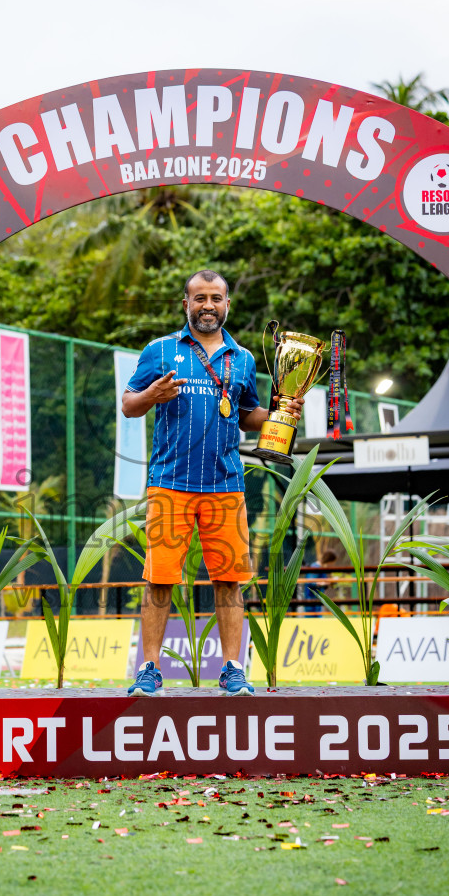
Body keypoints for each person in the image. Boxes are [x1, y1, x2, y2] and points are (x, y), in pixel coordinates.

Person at [122, 269, 304, 695]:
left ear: (227, 305)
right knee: (160, 578)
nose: (208, 306)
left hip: (225, 483)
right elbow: (129, 404)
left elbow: (246, 415)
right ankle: (149, 669)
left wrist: (281, 412)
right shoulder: (160, 350)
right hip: (170, 482)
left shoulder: (243, 359)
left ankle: (232, 669)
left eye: (216, 298)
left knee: (229, 578)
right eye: (200, 298)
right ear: (185, 303)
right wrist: (151, 396)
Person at [303, 548, 338, 613]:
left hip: (318, 600)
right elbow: (311, 582)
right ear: (329, 561)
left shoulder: (322, 568)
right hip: (312, 600)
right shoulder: (315, 567)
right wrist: (327, 582)